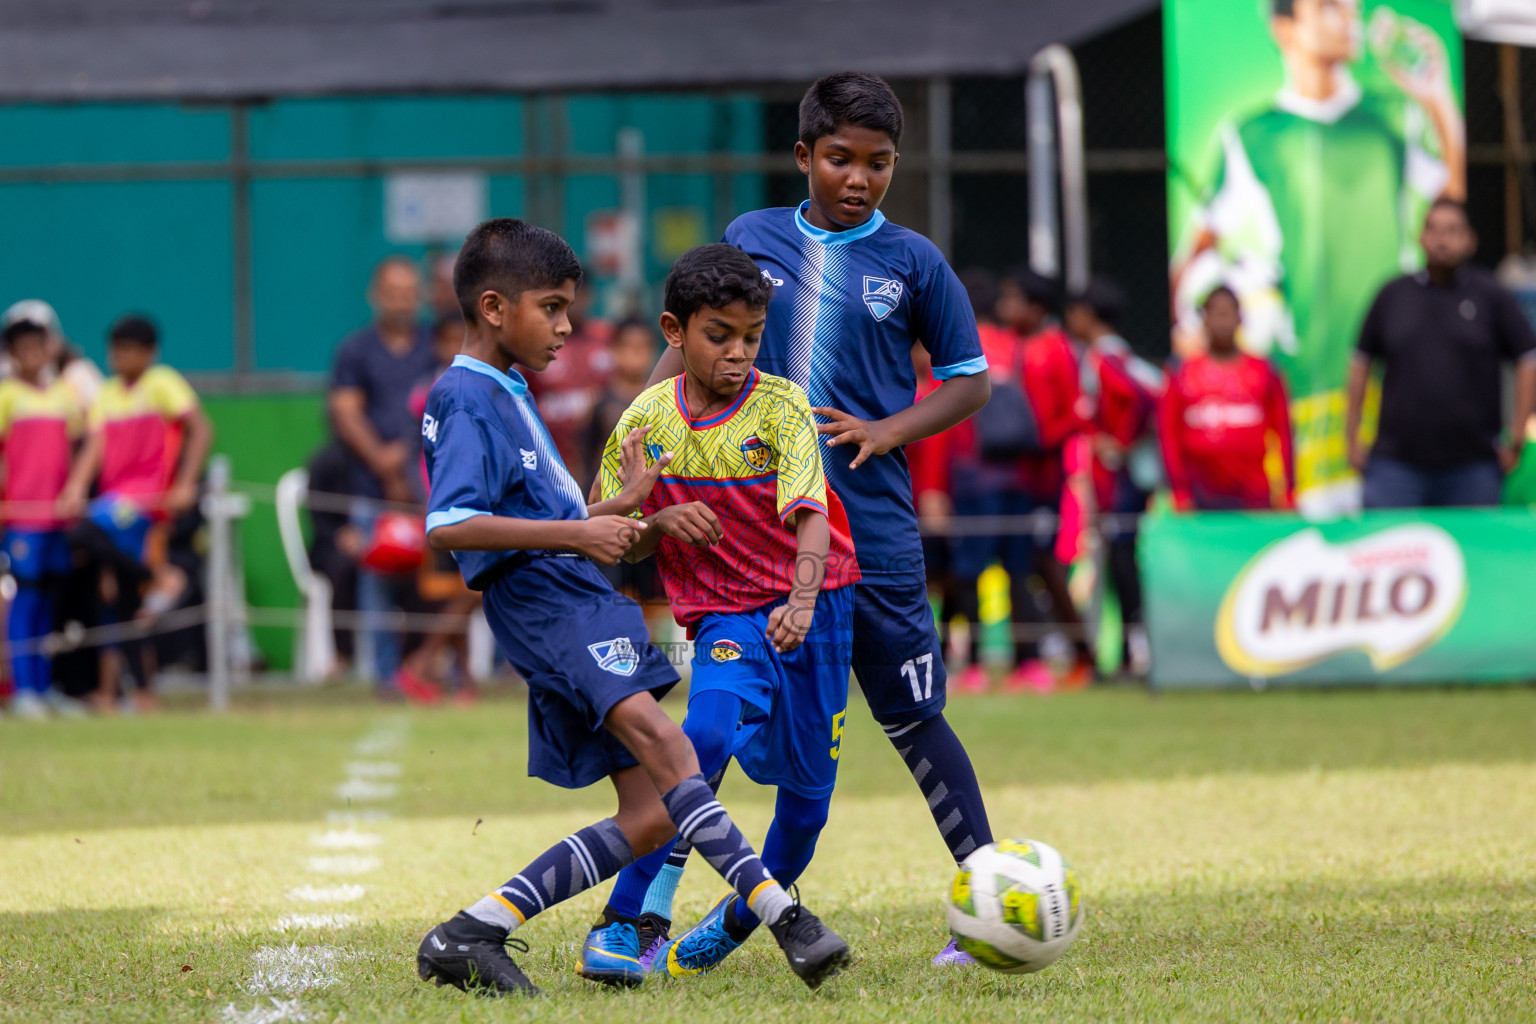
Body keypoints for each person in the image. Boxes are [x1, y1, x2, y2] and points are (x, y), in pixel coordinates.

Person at [415, 218, 850, 997]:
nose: (565, 326)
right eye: (550, 308)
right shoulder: (464, 394)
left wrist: (623, 511)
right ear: (491, 307)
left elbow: (571, 514)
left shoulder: (509, 389)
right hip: (553, 605)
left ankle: (474, 930)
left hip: (580, 598)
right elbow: (449, 524)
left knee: (653, 813)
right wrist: (582, 533)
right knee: (676, 750)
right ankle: (787, 919)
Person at [646, 72, 996, 965]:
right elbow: (679, 356)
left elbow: (971, 380)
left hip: (870, 533)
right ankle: (642, 917)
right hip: (752, 536)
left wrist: (888, 429)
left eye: (879, 163)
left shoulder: (914, 262)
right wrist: (640, 459)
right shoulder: (750, 239)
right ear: (804, 156)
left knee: (913, 714)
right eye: (840, 158)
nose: (859, 178)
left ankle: (990, 897)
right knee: (716, 729)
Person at [580, 244, 861, 982]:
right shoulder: (645, 423)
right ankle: (631, 915)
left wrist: (802, 600)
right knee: (700, 733)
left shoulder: (782, 407)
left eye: (751, 336)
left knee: (804, 815)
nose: (738, 353)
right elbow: (599, 528)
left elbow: (812, 521)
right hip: (726, 618)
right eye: (719, 336)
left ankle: (737, 917)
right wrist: (660, 523)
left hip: (816, 610)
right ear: (675, 330)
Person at [1171, 0, 1465, 514]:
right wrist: (1198, 320)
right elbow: (1194, 258)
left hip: (1390, 380)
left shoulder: (1393, 114)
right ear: (1285, 28)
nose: (1348, 17)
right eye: (1329, 7)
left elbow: (1451, 207)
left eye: (1350, 6)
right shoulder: (1254, 135)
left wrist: (1437, 98)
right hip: (1300, 387)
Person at [57, 315, 213, 710]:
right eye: (116, 349)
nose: (121, 357)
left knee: (80, 536)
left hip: (145, 501)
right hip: (114, 503)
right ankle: (142, 692)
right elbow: (94, 447)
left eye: (129, 349)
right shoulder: (107, 393)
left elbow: (201, 429)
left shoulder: (162, 382)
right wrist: (75, 486)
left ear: (149, 353)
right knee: (124, 604)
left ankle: (160, 574)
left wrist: (185, 482)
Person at [1346, 199, 1536, 508]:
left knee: (1474, 553)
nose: (1441, 239)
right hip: (1396, 468)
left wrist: (1516, 436)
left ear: (1470, 240)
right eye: (1433, 229)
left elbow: (1528, 358)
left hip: (1473, 469)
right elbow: (1359, 362)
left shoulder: (1490, 295)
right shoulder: (1393, 295)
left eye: (1452, 231)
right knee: (1390, 552)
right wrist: (1351, 436)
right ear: (1420, 238)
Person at [939, 268, 1054, 694]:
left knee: (969, 572)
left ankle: (973, 666)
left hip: (971, 478)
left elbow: (947, 423)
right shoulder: (1017, 346)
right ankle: (1031, 665)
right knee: (1019, 571)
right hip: (1018, 477)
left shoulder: (955, 346)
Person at [328, 256, 437, 688]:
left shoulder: (435, 346)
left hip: (430, 492)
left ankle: (430, 670)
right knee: (376, 586)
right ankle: (384, 677)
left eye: (409, 293)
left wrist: (412, 465)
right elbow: (346, 411)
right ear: (375, 295)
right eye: (393, 293)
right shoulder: (355, 350)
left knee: (432, 587)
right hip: (371, 492)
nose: (402, 301)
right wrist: (383, 459)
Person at [1063, 280, 1160, 677]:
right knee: (1118, 559)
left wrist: (1119, 442)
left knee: (1122, 558)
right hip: (1120, 478)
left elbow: (1138, 396)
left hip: (1123, 478)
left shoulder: (1104, 357)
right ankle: (1122, 650)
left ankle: (1136, 648)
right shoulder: (1112, 353)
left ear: (1088, 315)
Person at [0, 317, 84, 720]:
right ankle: (23, 690)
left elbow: (79, 451)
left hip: (58, 519)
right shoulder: (7, 396)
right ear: (11, 354)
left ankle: (45, 686)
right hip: (21, 517)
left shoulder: (64, 396)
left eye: (39, 346)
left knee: (50, 601)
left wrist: (74, 494)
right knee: (25, 599)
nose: (33, 355)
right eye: (23, 348)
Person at [1161, 287, 1295, 511]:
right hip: (1200, 495)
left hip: (1253, 494)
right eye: (1216, 313)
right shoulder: (1180, 372)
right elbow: (1168, 434)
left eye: (1228, 313)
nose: (1223, 321)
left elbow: (1283, 431)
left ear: (1240, 318)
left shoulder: (1266, 371)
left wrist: (1289, 490)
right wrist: (1179, 490)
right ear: (1204, 320)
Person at [526, 286, 613, 485]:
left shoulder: (606, 337)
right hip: (549, 460)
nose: (573, 305)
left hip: (599, 462)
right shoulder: (535, 344)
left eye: (578, 295)